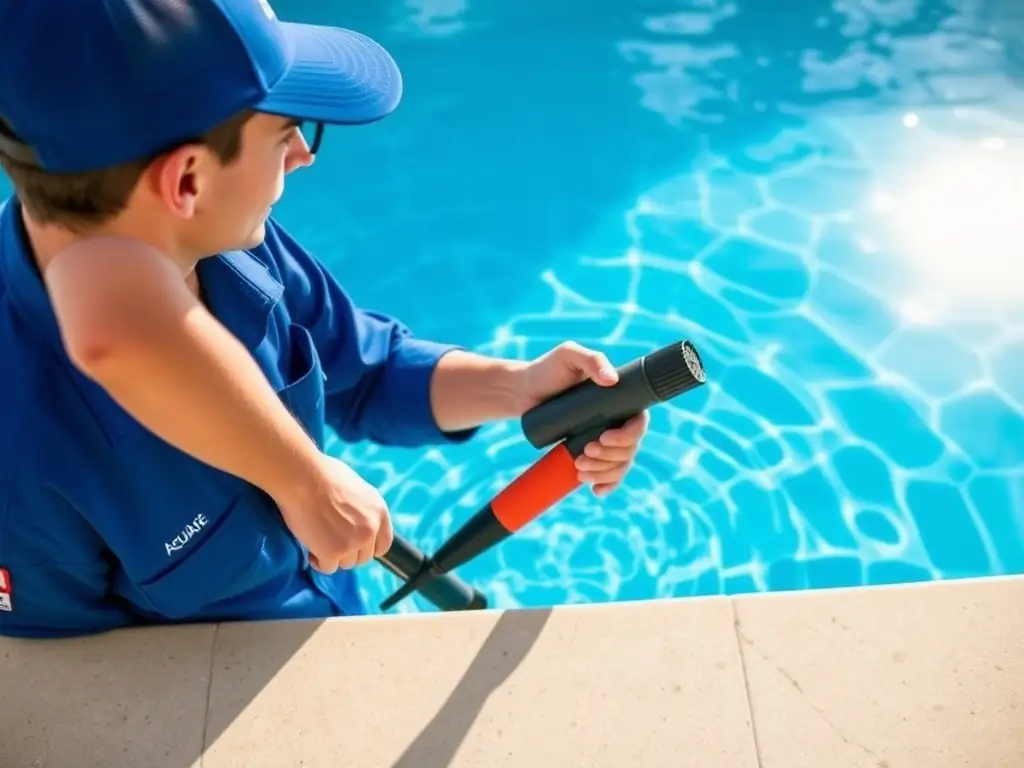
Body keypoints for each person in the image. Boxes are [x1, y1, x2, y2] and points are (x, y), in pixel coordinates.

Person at [0, 0, 649, 639]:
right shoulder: (20, 451)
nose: (303, 156)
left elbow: (368, 375)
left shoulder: (226, 243)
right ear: (188, 181)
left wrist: (519, 387)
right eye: (287, 132)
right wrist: (305, 486)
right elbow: (83, 675)